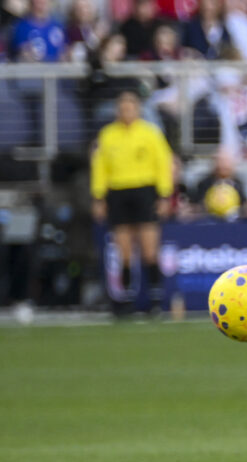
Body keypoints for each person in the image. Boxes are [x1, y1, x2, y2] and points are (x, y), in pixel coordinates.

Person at [90, 90, 174, 313]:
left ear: (138, 110)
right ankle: (125, 298)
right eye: (122, 108)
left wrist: (164, 195)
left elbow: (163, 164)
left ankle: (155, 297)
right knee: (123, 249)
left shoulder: (150, 134)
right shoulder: (108, 135)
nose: (126, 112)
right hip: (118, 192)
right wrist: (99, 197)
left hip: (144, 191)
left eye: (130, 108)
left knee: (149, 248)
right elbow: (100, 168)